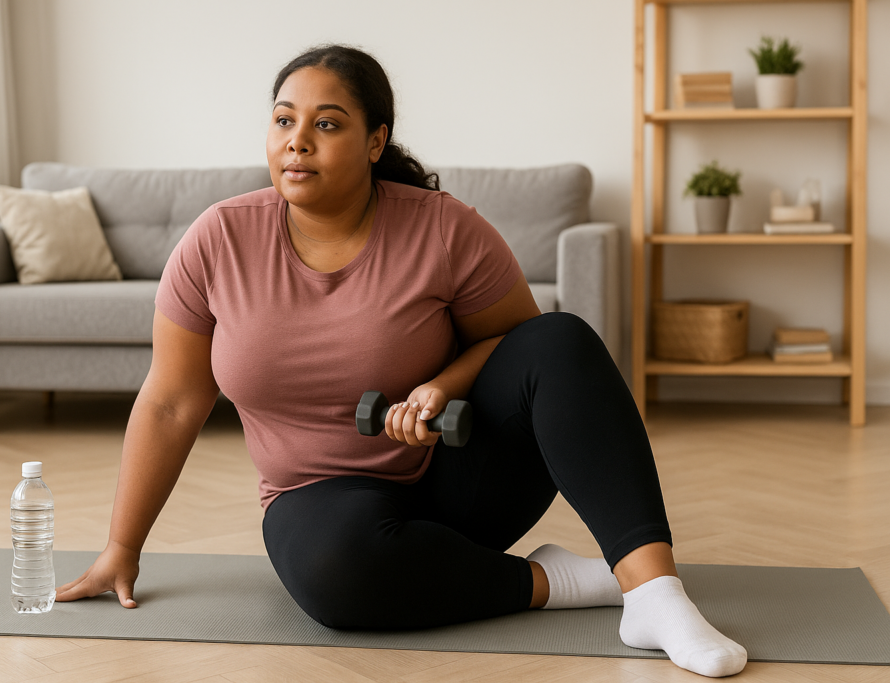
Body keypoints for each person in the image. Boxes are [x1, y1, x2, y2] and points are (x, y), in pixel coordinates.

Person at [56, 44, 747, 678]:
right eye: (282, 120)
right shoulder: (218, 241)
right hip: (316, 502)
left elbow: (523, 349)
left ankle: (655, 593)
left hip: (460, 478)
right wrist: (123, 547)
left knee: (562, 338)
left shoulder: (442, 226)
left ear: (375, 140)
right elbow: (172, 400)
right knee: (338, 574)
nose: (296, 139)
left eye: (326, 124)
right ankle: (569, 581)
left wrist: (439, 386)